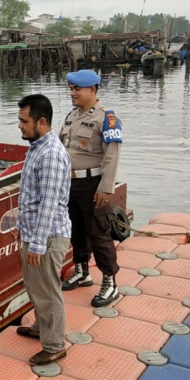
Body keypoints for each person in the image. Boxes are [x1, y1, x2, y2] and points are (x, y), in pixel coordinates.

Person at [16, 94, 72, 366]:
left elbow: (48, 205)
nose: (20, 126)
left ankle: (54, 345)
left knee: (48, 291)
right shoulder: (37, 146)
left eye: (24, 121)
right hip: (35, 233)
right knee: (35, 285)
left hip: (47, 236)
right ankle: (41, 327)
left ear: (41, 121)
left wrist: (37, 245)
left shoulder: (49, 154)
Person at [59, 70, 123, 307]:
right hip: (71, 183)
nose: (72, 93)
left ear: (92, 90)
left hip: (93, 185)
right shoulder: (71, 116)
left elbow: (112, 156)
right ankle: (82, 270)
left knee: (99, 233)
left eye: (77, 89)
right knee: (76, 229)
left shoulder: (106, 117)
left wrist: (106, 188)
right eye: (71, 88)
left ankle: (110, 281)